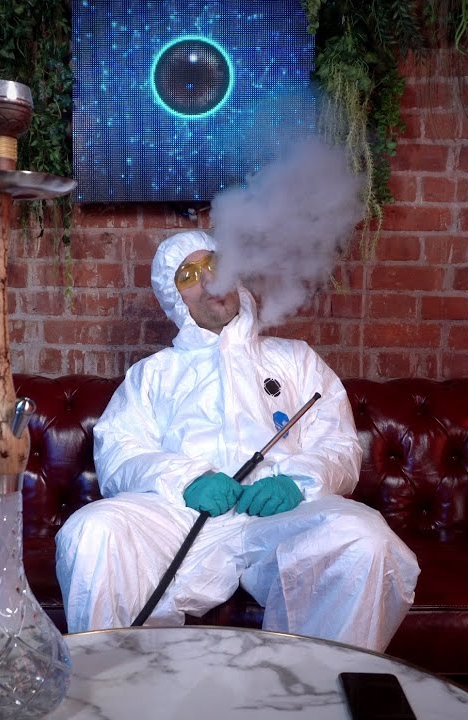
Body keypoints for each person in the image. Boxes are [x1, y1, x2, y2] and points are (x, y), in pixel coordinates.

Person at [54, 229, 419, 652]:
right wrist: (188, 478)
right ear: (174, 298)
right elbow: (120, 452)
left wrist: (296, 481)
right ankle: (110, 681)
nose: (209, 280)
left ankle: (322, 683)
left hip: (282, 517)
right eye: (189, 275)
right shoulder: (152, 374)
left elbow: (339, 445)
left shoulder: (296, 358)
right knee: (91, 531)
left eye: (213, 264)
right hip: (181, 516)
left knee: (367, 539)